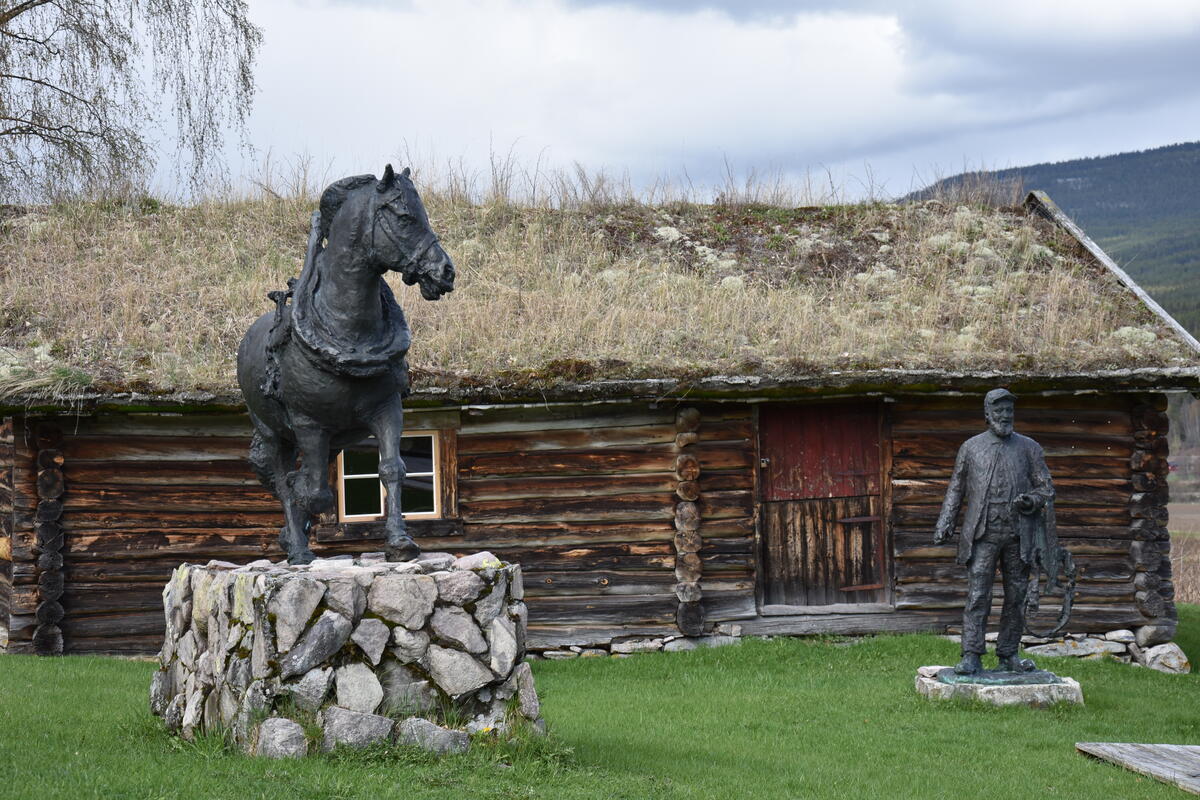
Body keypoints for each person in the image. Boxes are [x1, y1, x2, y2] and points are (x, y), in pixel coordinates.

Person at [934, 388, 1056, 674]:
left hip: (1018, 535)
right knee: (978, 595)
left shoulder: (1029, 448)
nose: (1005, 416)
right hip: (983, 534)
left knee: (1017, 596)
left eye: (1009, 411)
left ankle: (1008, 654)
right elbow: (956, 488)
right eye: (999, 411)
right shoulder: (971, 448)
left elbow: (1046, 489)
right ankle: (972, 654)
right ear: (987, 414)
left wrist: (1032, 500)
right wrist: (945, 522)